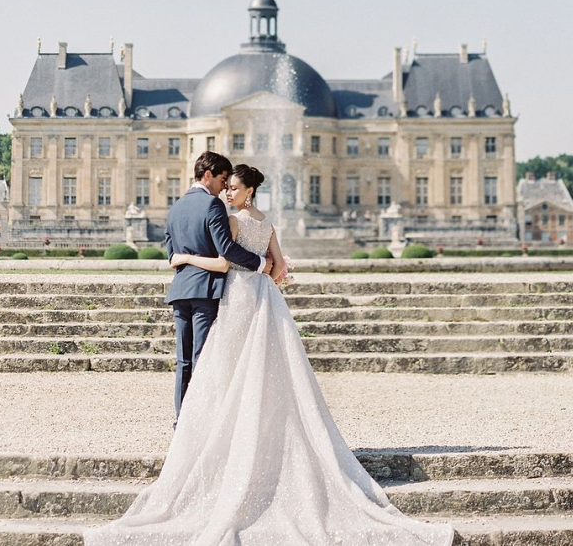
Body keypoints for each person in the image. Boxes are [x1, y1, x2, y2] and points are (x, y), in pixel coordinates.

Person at [84, 163, 455, 546]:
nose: (228, 192)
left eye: (234, 188)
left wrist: (186, 258)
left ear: (248, 191)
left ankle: (217, 432)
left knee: (225, 366)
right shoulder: (268, 223)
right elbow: (280, 267)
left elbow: (224, 258)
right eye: (226, 186)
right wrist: (267, 273)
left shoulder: (231, 220)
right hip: (265, 298)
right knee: (269, 368)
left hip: (237, 298)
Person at [162, 151, 271, 420]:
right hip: (205, 290)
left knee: (184, 360)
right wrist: (260, 263)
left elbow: (171, 254)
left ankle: (181, 418)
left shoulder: (175, 207)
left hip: (180, 291)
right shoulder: (212, 205)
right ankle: (199, 420)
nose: (224, 188)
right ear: (207, 174)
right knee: (203, 356)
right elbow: (226, 250)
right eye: (223, 180)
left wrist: (186, 257)